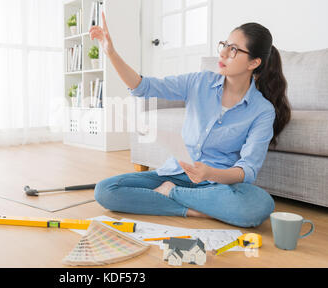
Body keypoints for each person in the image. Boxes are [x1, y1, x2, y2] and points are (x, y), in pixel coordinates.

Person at [89, 12, 291, 228]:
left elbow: (247, 170)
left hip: (215, 185)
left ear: (254, 62)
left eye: (233, 49)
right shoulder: (200, 82)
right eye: (224, 45)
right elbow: (143, 87)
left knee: (258, 206)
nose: (222, 53)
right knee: (106, 191)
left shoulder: (262, 110)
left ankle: (171, 195)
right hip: (175, 174)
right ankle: (193, 210)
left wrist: (209, 173)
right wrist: (111, 53)